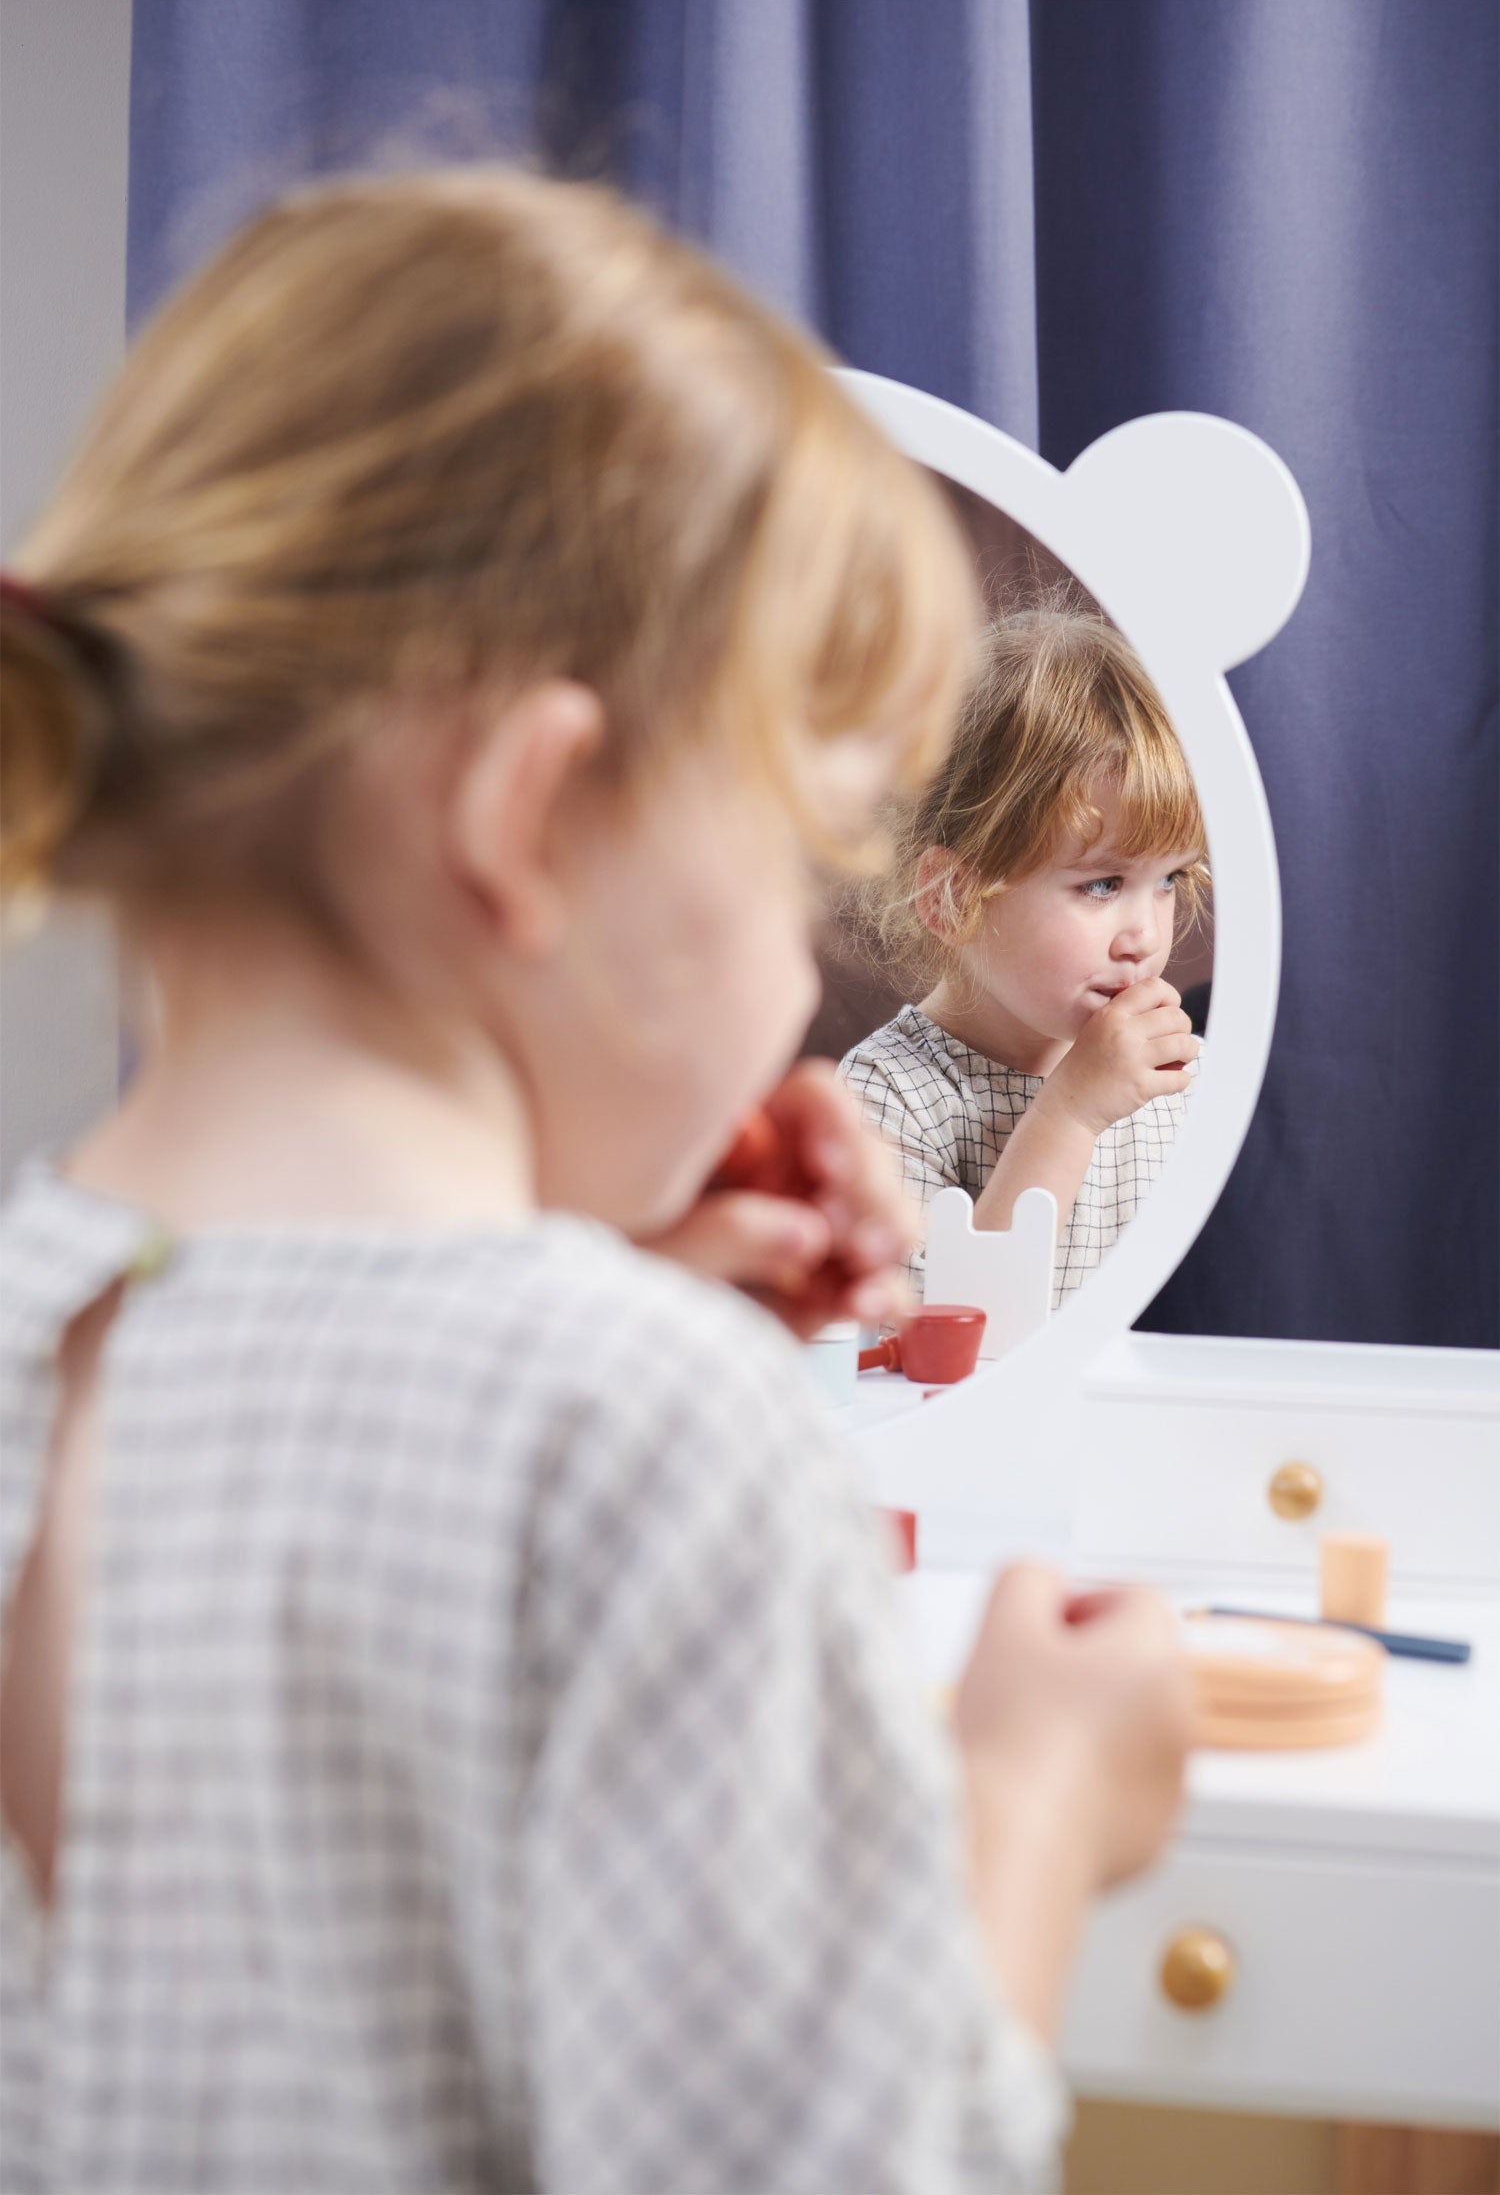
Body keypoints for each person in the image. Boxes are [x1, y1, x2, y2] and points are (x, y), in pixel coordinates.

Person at [0, 169, 1190, 2193]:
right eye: (797, 838)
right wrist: (1033, 1805)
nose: (787, 959)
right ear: (532, 814)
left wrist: (621, 1266)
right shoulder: (646, 1434)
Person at [841, 609, 1207, 1307]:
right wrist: (1069, 1112)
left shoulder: (1172, 1082)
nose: (1146, 936)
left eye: (1168, 880)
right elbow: (936, 1333)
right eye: (1102, 883)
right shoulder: (889, 1097)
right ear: (953, 897)